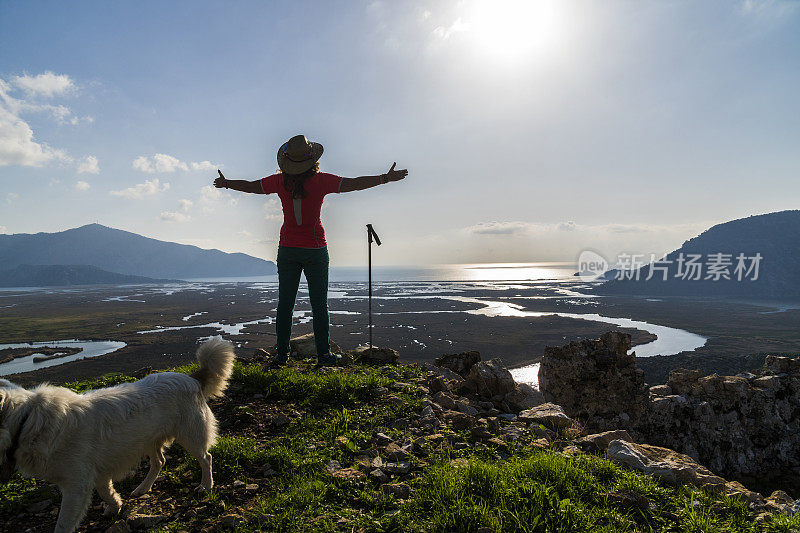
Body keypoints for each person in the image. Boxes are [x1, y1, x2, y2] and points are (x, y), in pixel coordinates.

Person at [213, 134, 408, 366]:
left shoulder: (279, 182)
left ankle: (282, 355)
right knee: (319, 304)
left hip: (287, 250)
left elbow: (253, 187)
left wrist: (227, 184)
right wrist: (385, 178)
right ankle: (324, 355)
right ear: (311, 160)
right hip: (315, 249)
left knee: (285, 304)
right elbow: (354, 183)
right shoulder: (321, 181)